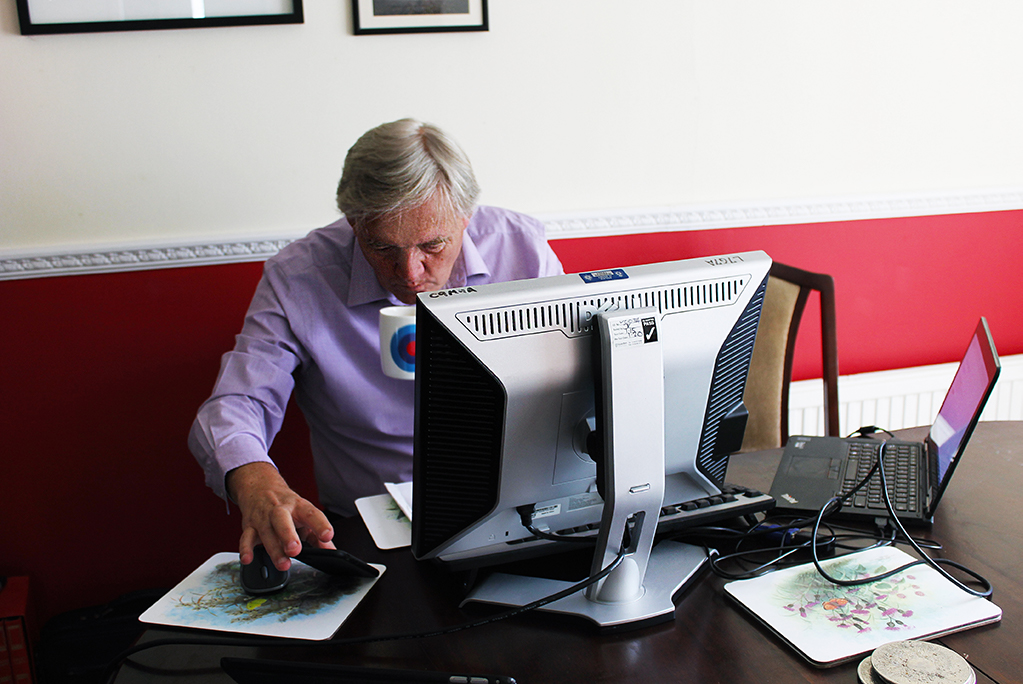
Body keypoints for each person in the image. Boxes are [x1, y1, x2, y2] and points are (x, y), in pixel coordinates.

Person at [188, 118, 564, 574]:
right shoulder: (300, 277)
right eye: (382, 247)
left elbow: (575, 376)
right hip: (370, 532)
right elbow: (237, 401)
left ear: (466, 217)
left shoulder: (521, 249)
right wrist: (253, 479)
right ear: (353, 224)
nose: (409, 273)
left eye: (433, 244)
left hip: (520, 510)